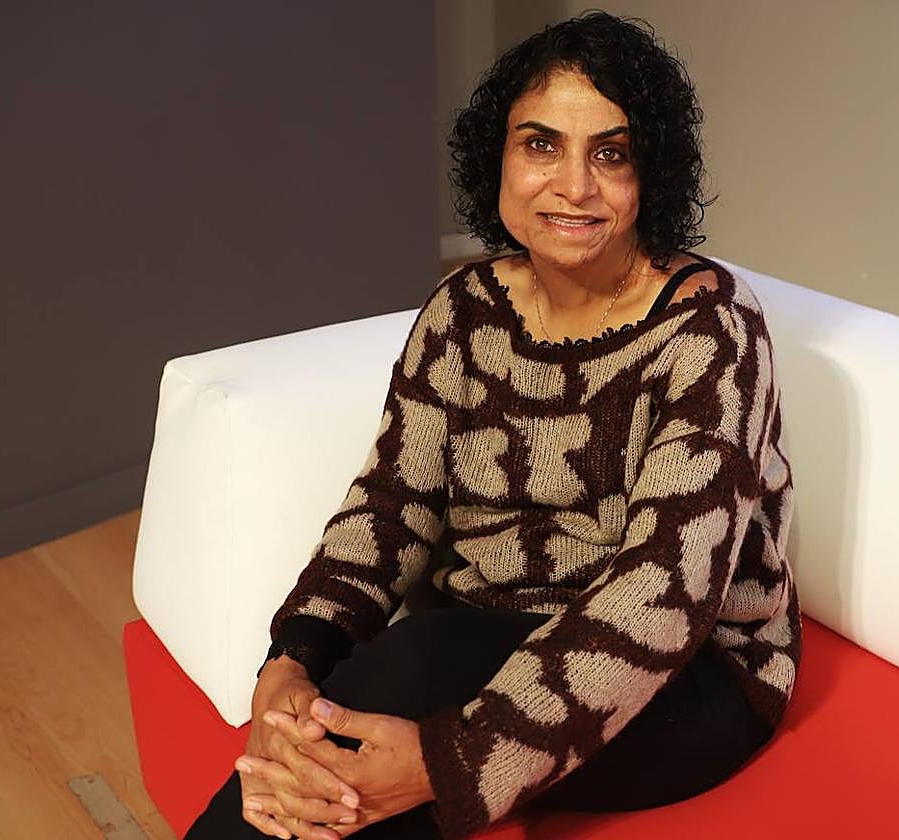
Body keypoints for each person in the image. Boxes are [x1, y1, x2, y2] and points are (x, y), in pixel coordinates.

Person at [185, 10, 801, 840]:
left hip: (686, 674)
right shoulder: (464, 310)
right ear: (498, 158)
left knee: (403, 693)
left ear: (651, 172)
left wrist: (449, 762)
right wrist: (293, 661)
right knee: (352, 751)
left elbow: (663, 593)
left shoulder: (712, 328)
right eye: (541, 144)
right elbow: (390, 505)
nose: (574, 186)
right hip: (480, 641)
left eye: (611, 154)